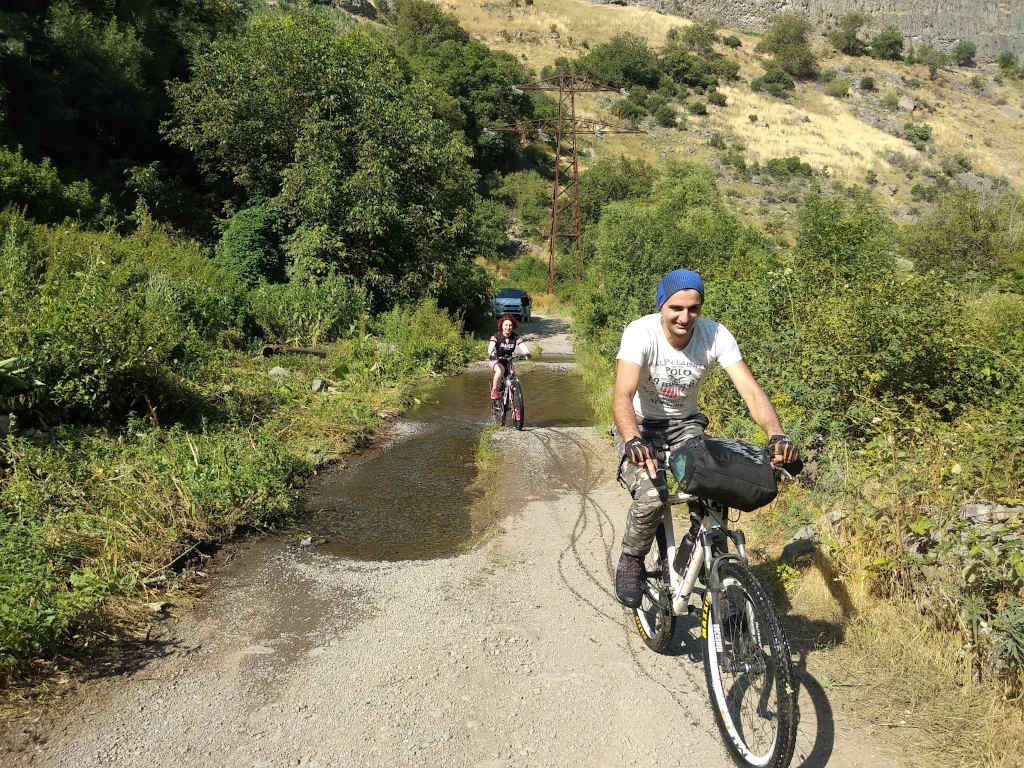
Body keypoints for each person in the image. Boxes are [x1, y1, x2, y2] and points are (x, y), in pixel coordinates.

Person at [612, 269, 800, 608]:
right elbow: (622, 395)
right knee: (653, 495)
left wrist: (776, 433)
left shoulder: (715, 335)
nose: (685, 317)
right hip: (640, 424)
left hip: (686, 425)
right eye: (676, 309)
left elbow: (752, 393)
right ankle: (632, 558)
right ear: (662, 307)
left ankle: (706, 562)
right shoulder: (640, 332)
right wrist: (632, 439)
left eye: (693, 309)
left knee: (714, 488)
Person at [489, 314, 531, 401]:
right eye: (506, 325)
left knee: (512, 381)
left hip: (508, 361)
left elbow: (522, 345)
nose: (508, 327)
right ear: (502, 325)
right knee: (500, 371)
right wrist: (492, 353)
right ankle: (494, 390)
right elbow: (490, 347)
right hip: (497, 360)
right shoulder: (496, 336)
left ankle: (514, 409)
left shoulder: (515, 337)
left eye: (510, 325)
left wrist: (527, 353)